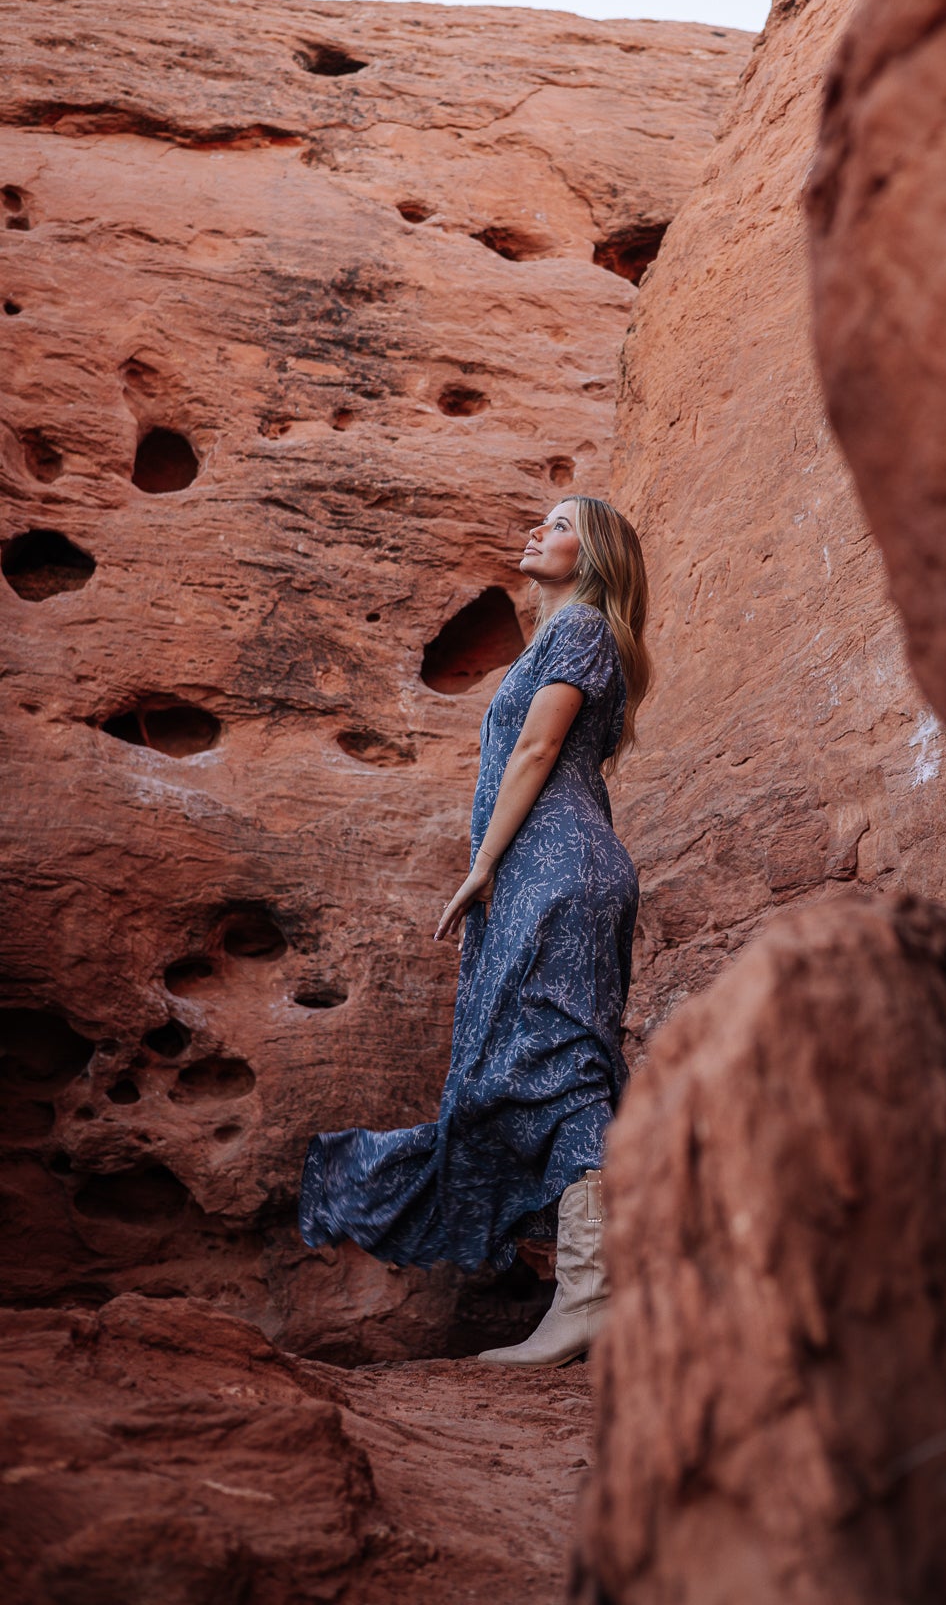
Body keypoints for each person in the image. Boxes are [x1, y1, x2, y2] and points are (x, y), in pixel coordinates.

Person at [298, 495, 650, 1367]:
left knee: (556, 1070)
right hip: (548, 873)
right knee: (518, 1072)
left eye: (561, 523)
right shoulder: (556, 640)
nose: (537, 529)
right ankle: (604, 1283)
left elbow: (535, 751)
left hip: (554, 869)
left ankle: (593, 1293)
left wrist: (483, 865)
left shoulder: (586, 634)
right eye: (540, 518)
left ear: (597, 554)